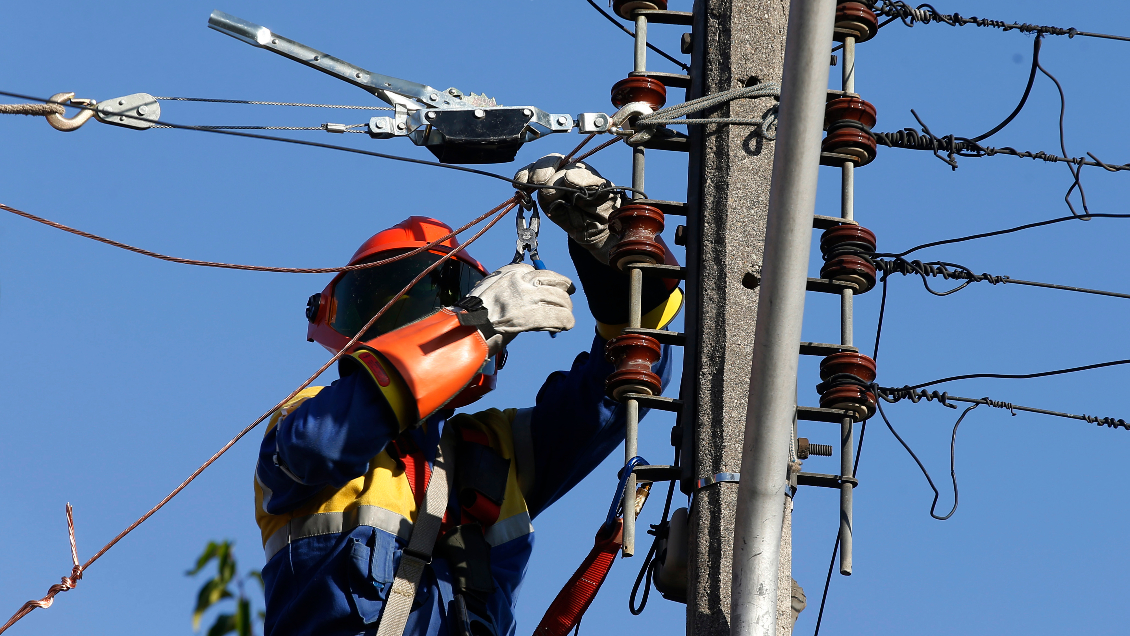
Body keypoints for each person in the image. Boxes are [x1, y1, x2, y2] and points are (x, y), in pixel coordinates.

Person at [252, 155, 683, 636]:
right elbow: (322, 444)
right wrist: (470, 327)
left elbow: (623, 382)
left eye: (433, 306)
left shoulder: (495, 451)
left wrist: (615, 253)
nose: (417, 323)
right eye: (394, 305)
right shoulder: (304, 421)